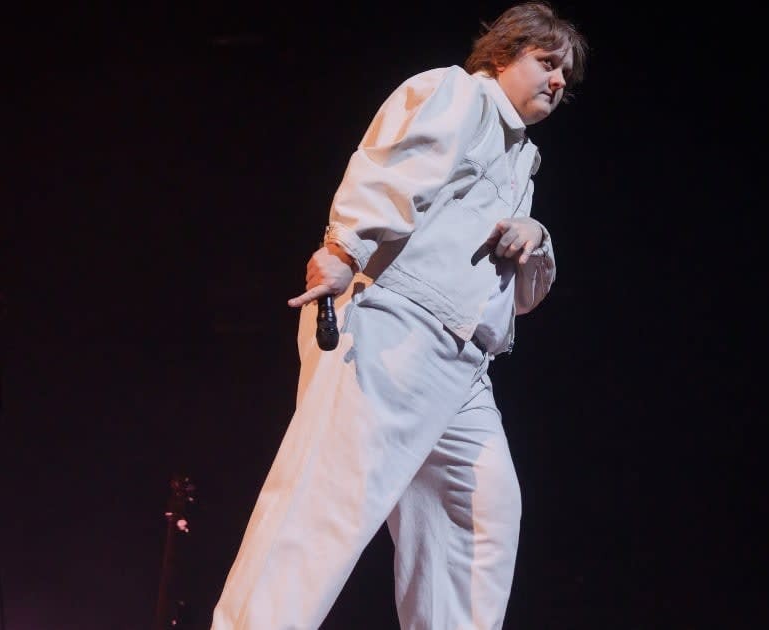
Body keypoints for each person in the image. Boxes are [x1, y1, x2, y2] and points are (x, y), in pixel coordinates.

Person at [211, 3, 587, 628]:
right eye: (547, 64)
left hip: (466, 365)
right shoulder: (461, 94)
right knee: (326, 505)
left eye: (564, 79)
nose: (556, 82)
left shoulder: (525, 160)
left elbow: (524, 298)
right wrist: (342, 249)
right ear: (504, 54)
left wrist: (536, 234)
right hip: (395, 322)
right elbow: (393, 168)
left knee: (480, 513)